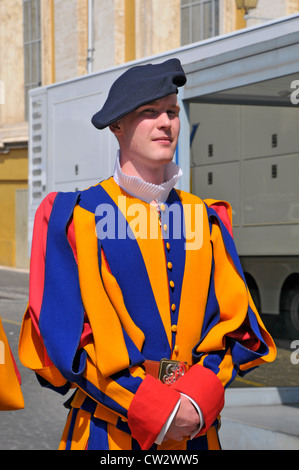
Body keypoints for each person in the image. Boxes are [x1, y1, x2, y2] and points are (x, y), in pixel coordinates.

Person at [18, 58, 276, 450]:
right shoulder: (75, 216)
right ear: (117, 125)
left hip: (196, 432)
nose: (166, 122)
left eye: (171, 111)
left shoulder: (204, 219)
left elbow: (238, 326)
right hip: (108, 436)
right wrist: (157, 409)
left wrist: (194, 400)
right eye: (149, 112)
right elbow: (64, 336)